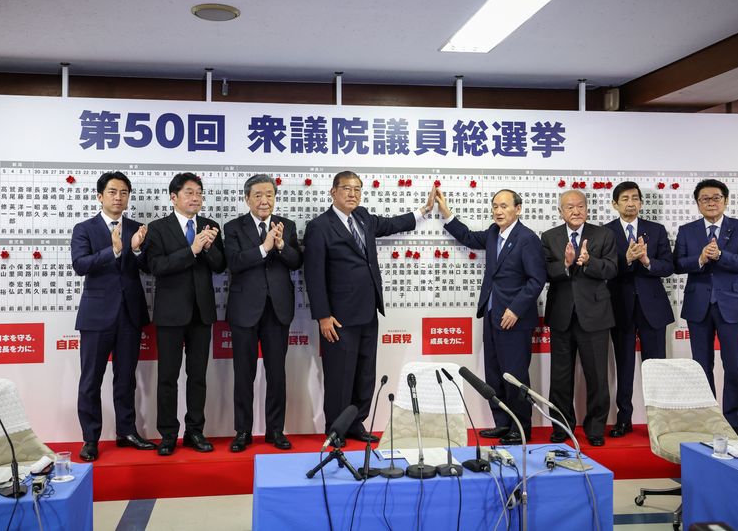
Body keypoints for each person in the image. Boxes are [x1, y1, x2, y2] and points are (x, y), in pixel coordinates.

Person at [303, 171, 435, 441]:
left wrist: (424, 210)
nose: (352, 194)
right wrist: (323, 316)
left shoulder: (362, 217)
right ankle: (337, 429)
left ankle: (356, 424)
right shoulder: (320, 226)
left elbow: (391, 224)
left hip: (367, 310)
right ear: (333, 192)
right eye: (346, 189)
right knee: (340, 376)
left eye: (357, 189)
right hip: (338, 317)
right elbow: (314, 275)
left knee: (365, 373)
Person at [435, 188, 545, 445]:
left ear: (518, 209)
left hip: (514, 319)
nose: (498, 211)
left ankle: (520, 428)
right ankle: (503, 424)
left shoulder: (527, 238)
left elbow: (537, 279)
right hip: (493, 314)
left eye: (504, 206)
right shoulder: (494, 233)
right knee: (494, 373)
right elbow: (469, 237)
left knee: (515, 375)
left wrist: (516, 309)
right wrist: (447, 214)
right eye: (495, 206)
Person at [71, 171, 155, 462]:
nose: (118, 197)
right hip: (96, 317)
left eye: (123, 192)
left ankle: (126, 431)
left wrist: (137, 249)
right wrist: (114, 251)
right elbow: (80, 265)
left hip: (129, 314)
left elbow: (147, 267)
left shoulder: (136, 228)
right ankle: (91, 439)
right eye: (112, 192)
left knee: (126, 379)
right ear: (100, 196)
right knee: (91, 379)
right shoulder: (85, 228)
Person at [146, 172, 226, 455]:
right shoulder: (157, 228)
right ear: (174, 197)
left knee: (198, 376)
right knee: (167, 376)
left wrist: (207, 248)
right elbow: (155, 266)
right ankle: (168, 434)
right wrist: (191, 249)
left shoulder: (210, 226)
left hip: (202, 313)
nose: (196, 198)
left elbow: (219, 265)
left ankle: (195, 431)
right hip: (170, 314)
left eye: (199, 193)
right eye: (190, 192)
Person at [674, 179, 738, 440]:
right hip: (698, 305)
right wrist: (700, 259)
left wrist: (721, 255)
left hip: (731, 305)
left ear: (726, 200)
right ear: (697, 203)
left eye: (716, 197)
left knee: (734, 365)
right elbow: (677, 263)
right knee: (701, 366)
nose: (711, 202)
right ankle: (706, 420)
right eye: (704, 199)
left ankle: (734, 422)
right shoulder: (687, 230)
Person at [224, 174, 302, 451]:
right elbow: (233, 262)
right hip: (245, 310)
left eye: (269, 194)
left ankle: (275, 430)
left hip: (277, 310)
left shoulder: (287, 226)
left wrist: (280, 245)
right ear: (247, 199)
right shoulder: (233, 227)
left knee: (277, 373)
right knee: (243, 373)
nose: (264, 200)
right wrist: (263, 247)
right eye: (258, 195)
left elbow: (296, 261)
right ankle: (242, 431)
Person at [541, 190, 617, 446]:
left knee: (597, 376)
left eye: (580, 206)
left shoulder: (603, 234)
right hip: (562, 315)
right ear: (560, 211)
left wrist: (588, 262)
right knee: (560, 377)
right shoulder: (549, 237)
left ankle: (595, 428)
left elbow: (612, 268)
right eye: (569, 207)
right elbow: (545, 271)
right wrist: (565, 263)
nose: (576, 211)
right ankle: (561, 427)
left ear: (587, 209)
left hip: (594, 316)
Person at [606, 182, 674, 438]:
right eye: (625, 198)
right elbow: (606, 270)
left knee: (656, 366)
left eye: (635, 198)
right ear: (615, 204)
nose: (631, 203)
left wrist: (646, 261)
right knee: (623, 366)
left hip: (652, 307)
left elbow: (669, 266)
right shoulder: (606, 232)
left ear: (641, 203)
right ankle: (624, 419)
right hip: (620, 307)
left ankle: (659, 421)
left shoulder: (655, 230)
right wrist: (627, 260)